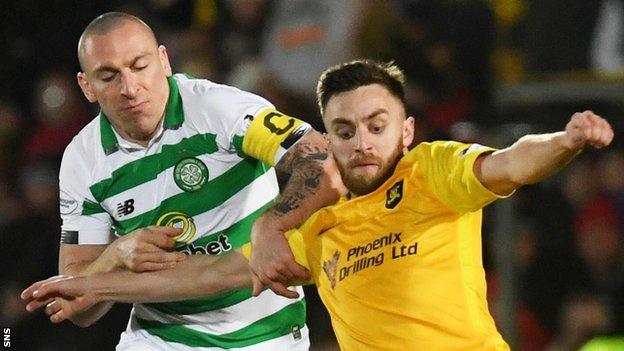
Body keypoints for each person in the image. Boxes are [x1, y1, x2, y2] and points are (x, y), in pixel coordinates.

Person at [23, 60, 615, 350]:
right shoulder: (318, 220)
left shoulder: (433, 172)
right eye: (345, 129)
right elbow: (210, 271)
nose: (362, 142)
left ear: (405, 132)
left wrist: (564, 142)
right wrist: (99, 283)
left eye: (377, 126)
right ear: (325, 138)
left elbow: (511, 160)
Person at [36, 11, 344, 351]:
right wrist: (115, 255)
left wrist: (272, 224)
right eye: (109, 76)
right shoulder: (83, 159)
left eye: (140, 66)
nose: (130, 88)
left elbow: (322, 160)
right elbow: (79, 306)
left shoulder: (220, 109)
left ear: (164, 61)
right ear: (87, 86)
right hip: (159, 338)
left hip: (265, 334)